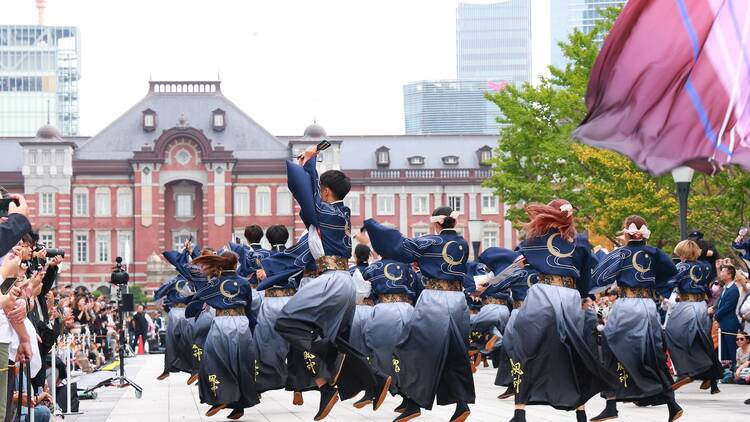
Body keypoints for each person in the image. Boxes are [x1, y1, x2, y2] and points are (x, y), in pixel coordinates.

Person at [273, 149, 389, 421]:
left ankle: (357, 371)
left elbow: (306, 193)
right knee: (331, 338)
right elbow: (308, 196)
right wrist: (309, 167)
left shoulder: (328, 212)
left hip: (332, 280)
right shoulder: (338, 213)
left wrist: (310, 162)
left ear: (326, 192)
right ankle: (332, 387)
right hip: (341, 281)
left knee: (286, 322)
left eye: (320, 190)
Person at [476, 200, 609, 422]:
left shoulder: (533, 241)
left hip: (542, 295)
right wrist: (585, 296)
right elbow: (585, 275)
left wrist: (489, 287)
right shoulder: (580, 241)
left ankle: (520, 411)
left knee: (526, 350)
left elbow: (514, 268)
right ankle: (581, 413)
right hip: (569, 296)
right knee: (573, 353)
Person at [365, 206, 474, 422]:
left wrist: (372, 225)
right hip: (458, 300)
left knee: (411, 349)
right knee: (455, 353)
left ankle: (412, 404)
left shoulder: (429, 241)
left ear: (436, 223)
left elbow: (399, 247)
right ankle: (461, 405)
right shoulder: (462, 243)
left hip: (435, 298)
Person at [590, 215, 682, 422]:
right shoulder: (655, 252)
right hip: (648, 306)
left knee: (610, 349)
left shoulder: (620, 253)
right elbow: (672, 272)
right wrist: (655, 286)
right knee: (652, 352)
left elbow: (600, 276)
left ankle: (611, 405)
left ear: (626, 231)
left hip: (627, 305)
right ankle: (672, 404)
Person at [188, 251, 259, 420]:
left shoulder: (213, 284)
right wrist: (252, 326)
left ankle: (222, 397)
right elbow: (249, 306)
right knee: (240, 363)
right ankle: (238, 406)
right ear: (236, 265)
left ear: (220, 264)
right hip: (241, 322)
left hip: (221, 322)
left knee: (213, 361)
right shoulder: (244, 283)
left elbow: (197, 299)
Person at [253, 225, 314, 404]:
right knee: (296, 345)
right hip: (292, 302)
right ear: (287, 238)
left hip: (270, 302)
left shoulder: (261, 256)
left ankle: (259, 387)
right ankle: (298, 388)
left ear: (268, 239)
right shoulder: (295, 255)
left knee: (264, 345)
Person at [662, 240, 722, 394]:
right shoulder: (706, 266)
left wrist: (661, 292)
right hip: (702, 305)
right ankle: (711, 377)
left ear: (682, 253)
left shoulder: (680, 267)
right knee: (702, 339)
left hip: (686, 305)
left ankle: (684, 371)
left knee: (671, 333)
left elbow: (670, 284)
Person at [361, 258, 419, 413]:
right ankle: (408, 398)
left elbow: (365, 292)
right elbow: (418, 289)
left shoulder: (372, 268)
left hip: (384, 309)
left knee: (376, 350)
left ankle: (377, 385)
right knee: (406, 356)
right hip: (408, 309)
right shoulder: (408, 268)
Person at [709, 264, 741, 366]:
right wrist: (714, 309)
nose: (721, 274)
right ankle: (728, 371)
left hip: (730, 324)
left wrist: (715, 315)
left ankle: (735, 370)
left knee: (732, 349)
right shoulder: (726, 288)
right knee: (724, 350)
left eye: (723, 272)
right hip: (723, 323)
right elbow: (720, 303)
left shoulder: (733, 289)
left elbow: (728, 307)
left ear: (729, 275)